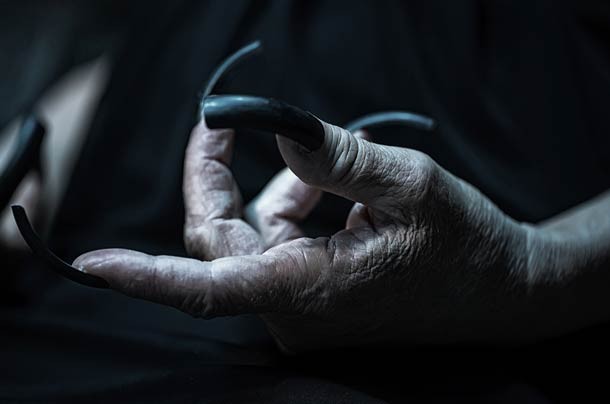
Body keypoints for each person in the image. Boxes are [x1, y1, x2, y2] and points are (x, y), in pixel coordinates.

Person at [2, 1, 609, 402]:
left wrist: (530, 267)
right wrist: (38, 140)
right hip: (70, 284)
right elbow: (156, 45)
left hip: (436, 322)